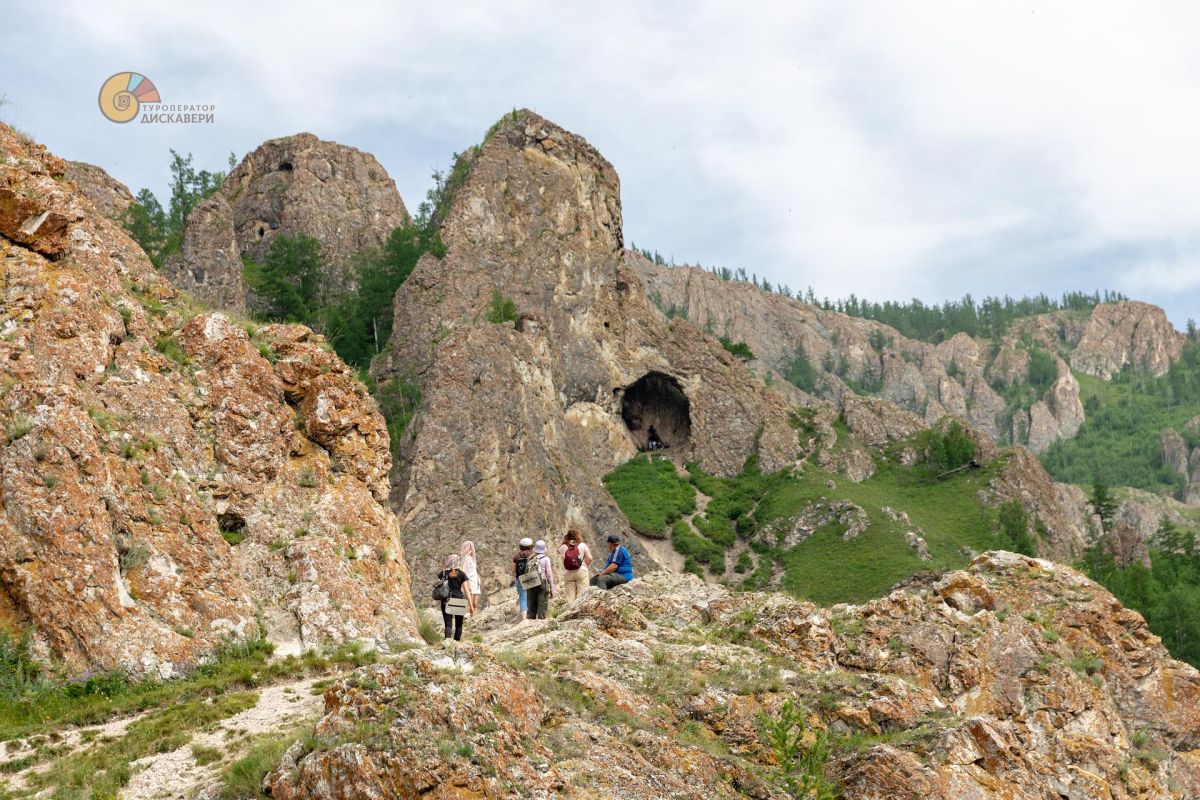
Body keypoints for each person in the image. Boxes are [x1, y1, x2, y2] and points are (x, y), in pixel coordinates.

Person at [438, 555, 470, 641]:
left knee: (448, 624)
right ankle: (457, 642)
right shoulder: (462, 574)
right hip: (459, 601)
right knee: (459, 624)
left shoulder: (443, 573)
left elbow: (438, 585)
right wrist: (471, 605)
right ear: (458, 561)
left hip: (446, 601)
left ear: (449, 561)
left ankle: (447, 643)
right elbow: (467, 591)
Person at [556, 529, 593, 602]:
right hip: (581, 571)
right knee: (582, 595)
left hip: (568, 573)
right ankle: (581, 612)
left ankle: (570, 612)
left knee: (570, 598)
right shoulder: (582, 545)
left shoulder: (564, 547)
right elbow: (590, 558)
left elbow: (558, 550)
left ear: (567, 537)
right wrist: (585, 565)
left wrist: (564, 541)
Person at [526, 540, 555, 619]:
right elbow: (548, 574)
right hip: (542, 583)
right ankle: (540, 624)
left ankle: (529, 624)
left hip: (532, 582)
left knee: (532, 606)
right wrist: (552, 588)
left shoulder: (531, 558)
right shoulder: (546, 559)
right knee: (542, 605)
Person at [513, 537, 534, 620]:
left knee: (523, 597)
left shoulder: (517, 556)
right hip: (532, 576)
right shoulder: (533, 554)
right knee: (532, 595)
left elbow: (513, 570)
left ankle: (524, 618)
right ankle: (533, 614)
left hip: (520, 578)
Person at [459, 540, 480, 615]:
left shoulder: (472, 559)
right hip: (469, 582)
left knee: (475, 603)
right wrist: (468, 584)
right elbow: (464, 573)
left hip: (475, 582)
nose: (470, 548)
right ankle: (469, 618)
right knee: (470, 602)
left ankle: (475, 617)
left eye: (471, 546)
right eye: (467, 546)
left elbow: (474, 570)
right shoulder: (465, 559)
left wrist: (478, 577)